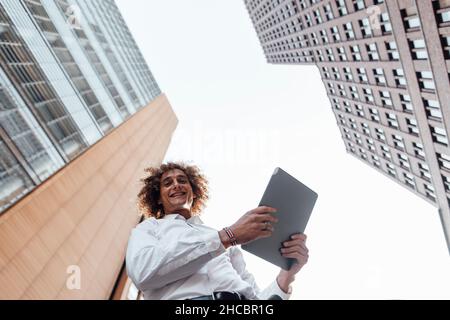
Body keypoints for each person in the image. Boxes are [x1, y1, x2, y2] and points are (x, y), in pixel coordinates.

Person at [126, 162, 309, 300]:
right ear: (158, 198)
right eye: (168, 183)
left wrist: (287, 275)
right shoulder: (148, 229)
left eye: (182, 180)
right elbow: (143, 273)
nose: (176, 185)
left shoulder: (222, 240)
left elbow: (256, 298)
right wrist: (228, 236)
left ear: (194, 191)